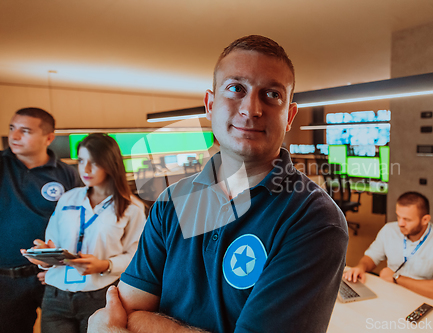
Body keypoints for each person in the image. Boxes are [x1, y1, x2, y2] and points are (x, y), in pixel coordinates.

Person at [89, 35, 349, 333]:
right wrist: (133, 320)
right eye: (236, 88)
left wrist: (140, 324)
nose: (251, 109)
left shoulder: (313, 219)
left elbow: (124, 322)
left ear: (289, 116)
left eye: (272, 95)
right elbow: (127, 310)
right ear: (210, 105)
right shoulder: (172, 201)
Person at [21, 133, 146, 332]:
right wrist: (46, 255)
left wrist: (105, 265)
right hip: (56, 296)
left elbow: (137, 256)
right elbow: (53, 240)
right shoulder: (68, 199)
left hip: (99, 295)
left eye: (94, 162)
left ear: (110, 164)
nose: (85, 169)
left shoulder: (132, 208)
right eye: (81, 161)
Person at [0, 107, 81, 333]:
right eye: (11, 128)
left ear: (48, 138)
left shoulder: (67, 174)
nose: (14, 137)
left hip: (52, 274)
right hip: (5, 280)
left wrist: (63, 267)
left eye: (25, 131)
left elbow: (79, 223)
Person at [343, 191, 433, 303]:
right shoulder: (389, 230)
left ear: (425, 220)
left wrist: (396, 278)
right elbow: (372, 256)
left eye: (407, 219)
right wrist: (361, 267)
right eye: (398, 217)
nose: (400, 223)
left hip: (422, 299)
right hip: (391, 296)